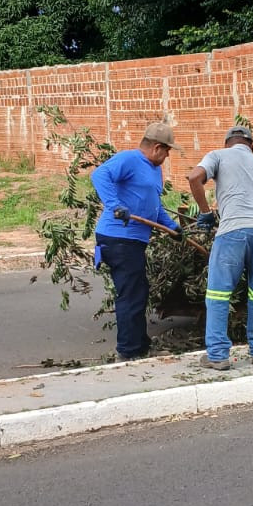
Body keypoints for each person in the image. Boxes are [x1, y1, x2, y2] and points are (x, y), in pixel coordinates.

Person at [187, 125, 253, 371]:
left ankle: (217, 355)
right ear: (252, 147)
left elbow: (194, 177)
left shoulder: (218, 155)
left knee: (218, 293)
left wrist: (205, 213)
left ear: (228, 143)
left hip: (233, 231)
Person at [91, 121, 181, 361]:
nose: (167, 156)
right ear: (157, 148)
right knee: (131, 294)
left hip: (133, 241)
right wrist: (115, 206)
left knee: (138, 292)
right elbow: (99, 175)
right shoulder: (129, 159)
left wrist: (173, 227)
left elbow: (154, 206)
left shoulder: (154, 170)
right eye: (167, 151)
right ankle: (130, 351)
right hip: (119, 238)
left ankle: (139, 345)